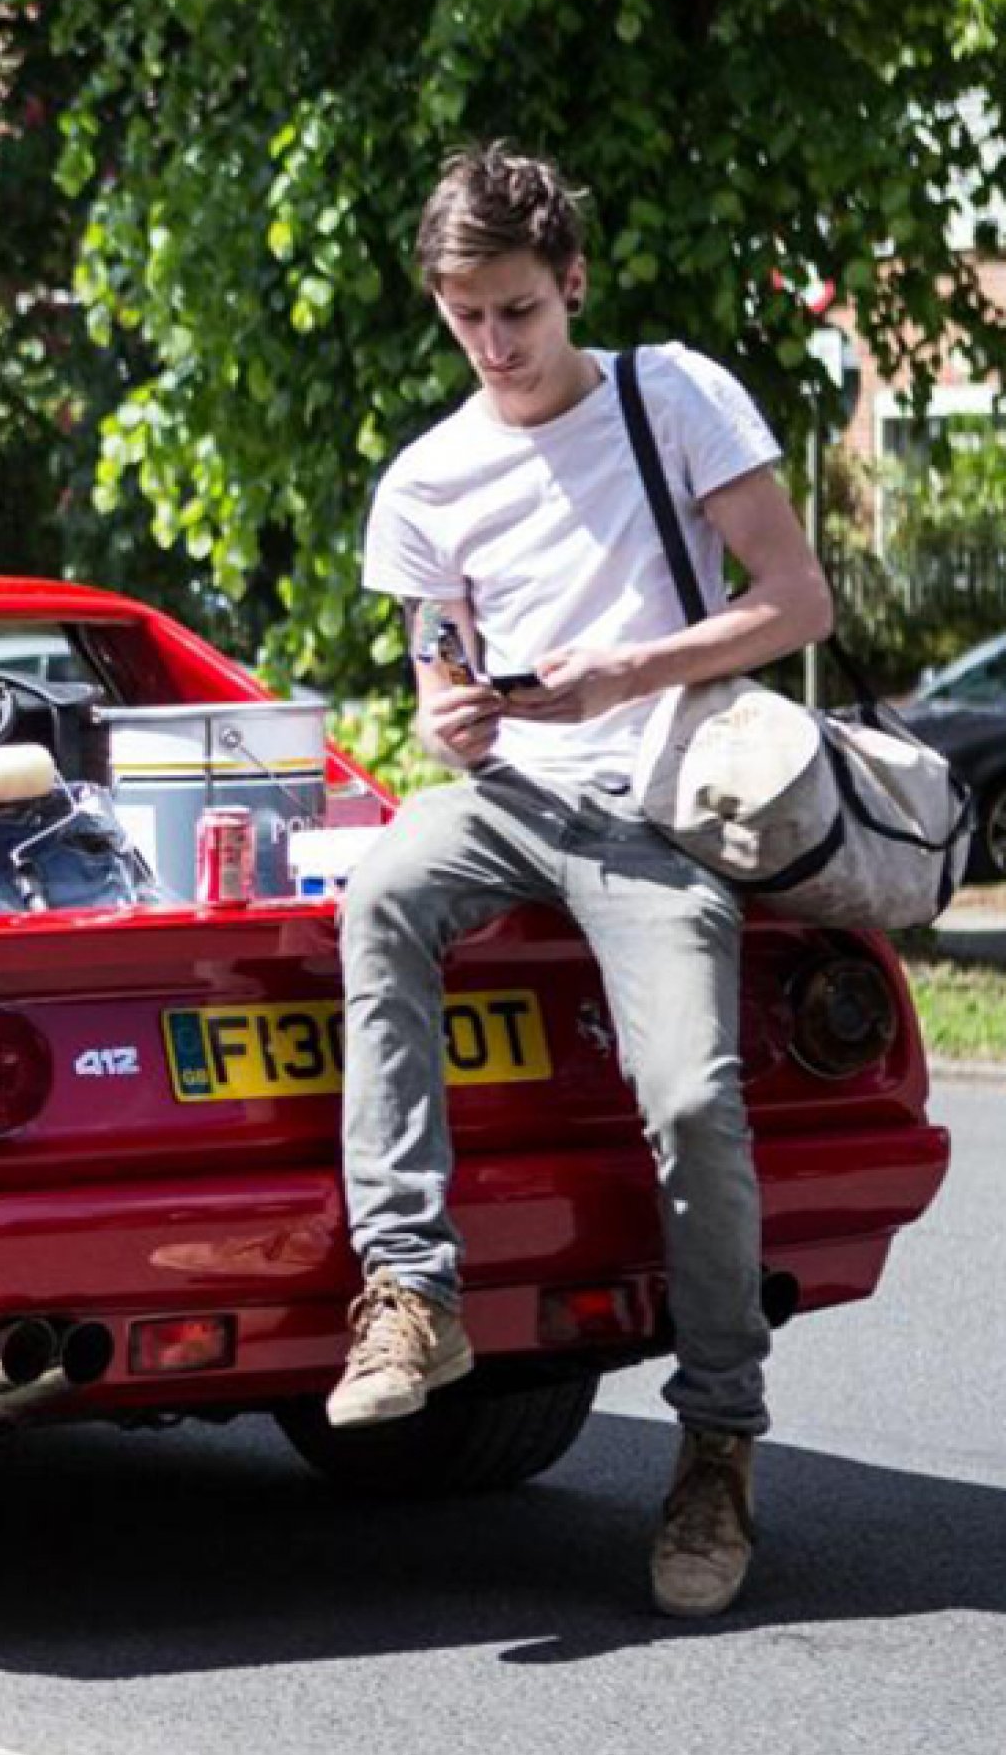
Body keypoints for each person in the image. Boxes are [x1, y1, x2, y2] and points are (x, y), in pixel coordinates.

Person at [333, 143, 832, 1618]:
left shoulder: (670, 394)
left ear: (573, 282)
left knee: (689, 1096)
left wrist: (629, 669)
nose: (494, 346)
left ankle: (718, 1443)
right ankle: (415, 1293)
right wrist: (449, 709)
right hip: (510, 798)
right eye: (465, 317)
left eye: (518, 313)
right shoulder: (427, 476)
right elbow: (434, 663)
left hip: (662, 805)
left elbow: (796, 600)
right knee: (380, 895)